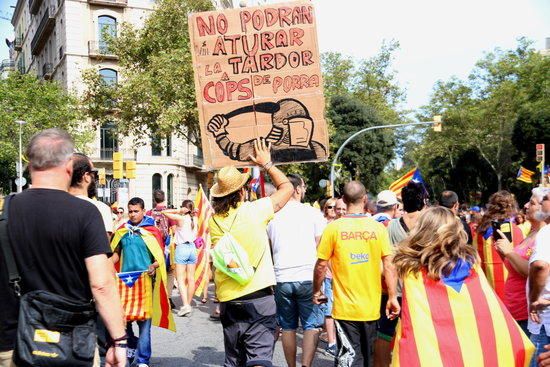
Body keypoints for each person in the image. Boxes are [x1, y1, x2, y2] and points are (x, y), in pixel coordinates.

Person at [2, 128, 126, 367]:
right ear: (69, 165)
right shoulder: (86, 213)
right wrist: (118, 340)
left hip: (9, 344)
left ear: (30, 165)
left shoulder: (3, 211)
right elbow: (101, 284)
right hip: (69, 343)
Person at [392, 207, 533, 366]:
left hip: (434, 354)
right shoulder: (472, 266)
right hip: (473, 349)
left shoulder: (413, 272)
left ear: (422, 232)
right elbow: (490, 314)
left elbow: (415, 326)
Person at [209, 138, 294, 367]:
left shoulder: (214, 222)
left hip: (229, 299)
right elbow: (287, 188)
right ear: (242, 191)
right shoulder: (255, 210)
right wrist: (267, 164)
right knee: (259, 359)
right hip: (259, 297)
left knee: (235, 359)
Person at [313, 181, 399, 367]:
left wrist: (317, 291)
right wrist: (392, 296)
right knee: (368, 358)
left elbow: (321, 265)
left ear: (343, 200)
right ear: (365, 199)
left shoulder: (333, 228)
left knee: (349, 359)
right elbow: (389, 265)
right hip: (371, 308)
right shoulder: (377, 229)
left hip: (345, 310)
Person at [267, 174, 326, 367]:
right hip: (308, 277)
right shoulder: (313, 213)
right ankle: (306, 365)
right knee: (311, 326)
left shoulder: (271, 215)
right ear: (298, 189)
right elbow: (321, 249)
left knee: (288, 327)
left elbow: (268, 248)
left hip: (282, 277)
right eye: (304, 186)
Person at [111, 197, 174, 367]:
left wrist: (153, 266)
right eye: (130, 211)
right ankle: (131, 344)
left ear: (143, 211)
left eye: (136, 211)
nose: (132, 214)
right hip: (125, 282)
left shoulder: (152, 231)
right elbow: (116, 253)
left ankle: (143, 359)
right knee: (125, 320)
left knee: (144, 322)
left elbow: (159, 256)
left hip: (145, 281)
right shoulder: (122, 230)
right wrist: (106, 265)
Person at [374, 181, 427, 367]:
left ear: (402, 202)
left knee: (384, 333)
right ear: (424, 201)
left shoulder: (391, 226)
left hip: (393, 290)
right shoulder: (428, 226)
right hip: (422, 292)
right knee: (420, 336)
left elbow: (385, 262)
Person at [494, 187, 549, 337]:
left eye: (531, 203)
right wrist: (503, 253)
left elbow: (533, 272)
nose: (525, 205)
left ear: (543, 209)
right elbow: (514, 268)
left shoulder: (543, 237)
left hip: (528, 312)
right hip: (514, 307)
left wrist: (510, 252)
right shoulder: (531, 233)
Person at [475, 190, 524, 299]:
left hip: (485, 284)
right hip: (510, 286)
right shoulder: (516, 230)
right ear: (511, 207)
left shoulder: (481, 229)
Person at [162, 200, 198, 317]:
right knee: (191, 278)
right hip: (192, 248)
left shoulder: (181, 218)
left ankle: (186, 305)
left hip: (182, 248)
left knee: (181, 279)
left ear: (184, 208)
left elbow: (164, 212)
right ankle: (188, 304)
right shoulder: (194, 219)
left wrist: (179, 210)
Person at [527, 194, 550, 366]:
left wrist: (534, 300)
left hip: (544, 321)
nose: (542, 202)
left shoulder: (546, 233)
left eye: (546, 199)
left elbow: (541, 265)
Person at [69, 153, 114, 235]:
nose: (94, 177)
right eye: (93, 173)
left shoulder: (52, 206)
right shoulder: (100, 209)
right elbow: (102, 246)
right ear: (86, 176)